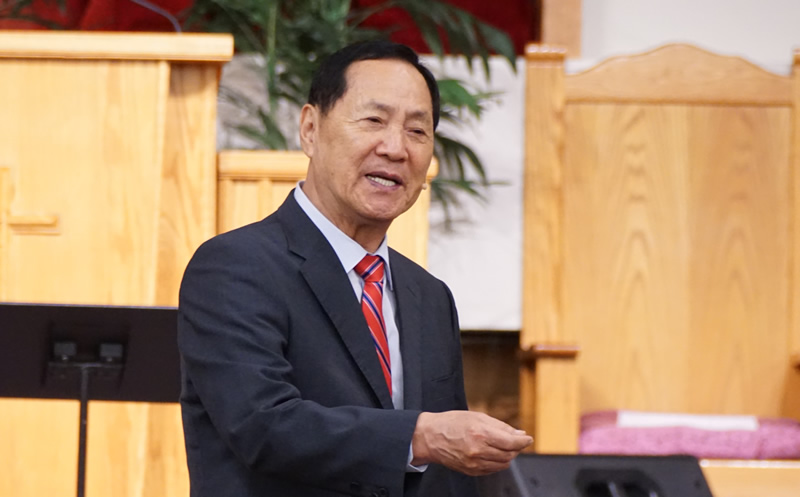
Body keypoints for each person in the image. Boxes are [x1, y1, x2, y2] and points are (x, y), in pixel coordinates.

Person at [177, 40, 532, 497]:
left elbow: (447, 477)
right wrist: (419, 437)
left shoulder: (429, 295)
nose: (396, 148)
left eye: (417, 131)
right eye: (373, 121)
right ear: (310, 129)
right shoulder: (235, 266)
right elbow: (262, 425)